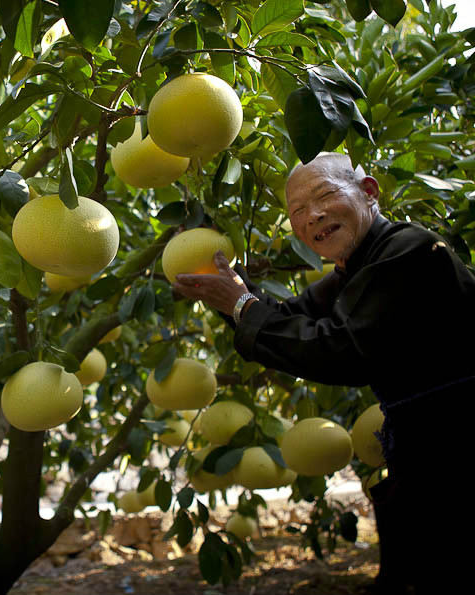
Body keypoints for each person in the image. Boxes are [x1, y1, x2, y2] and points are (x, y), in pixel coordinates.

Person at [173, 152, 475, 594]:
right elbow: (286, 320)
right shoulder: (356, 271)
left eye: (325, 196)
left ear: (368, 193)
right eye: (296, 212)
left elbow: (341, 349)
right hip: (428, 449)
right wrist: (228, 290)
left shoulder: (407, 251)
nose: (310, 217)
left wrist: (238, 303)